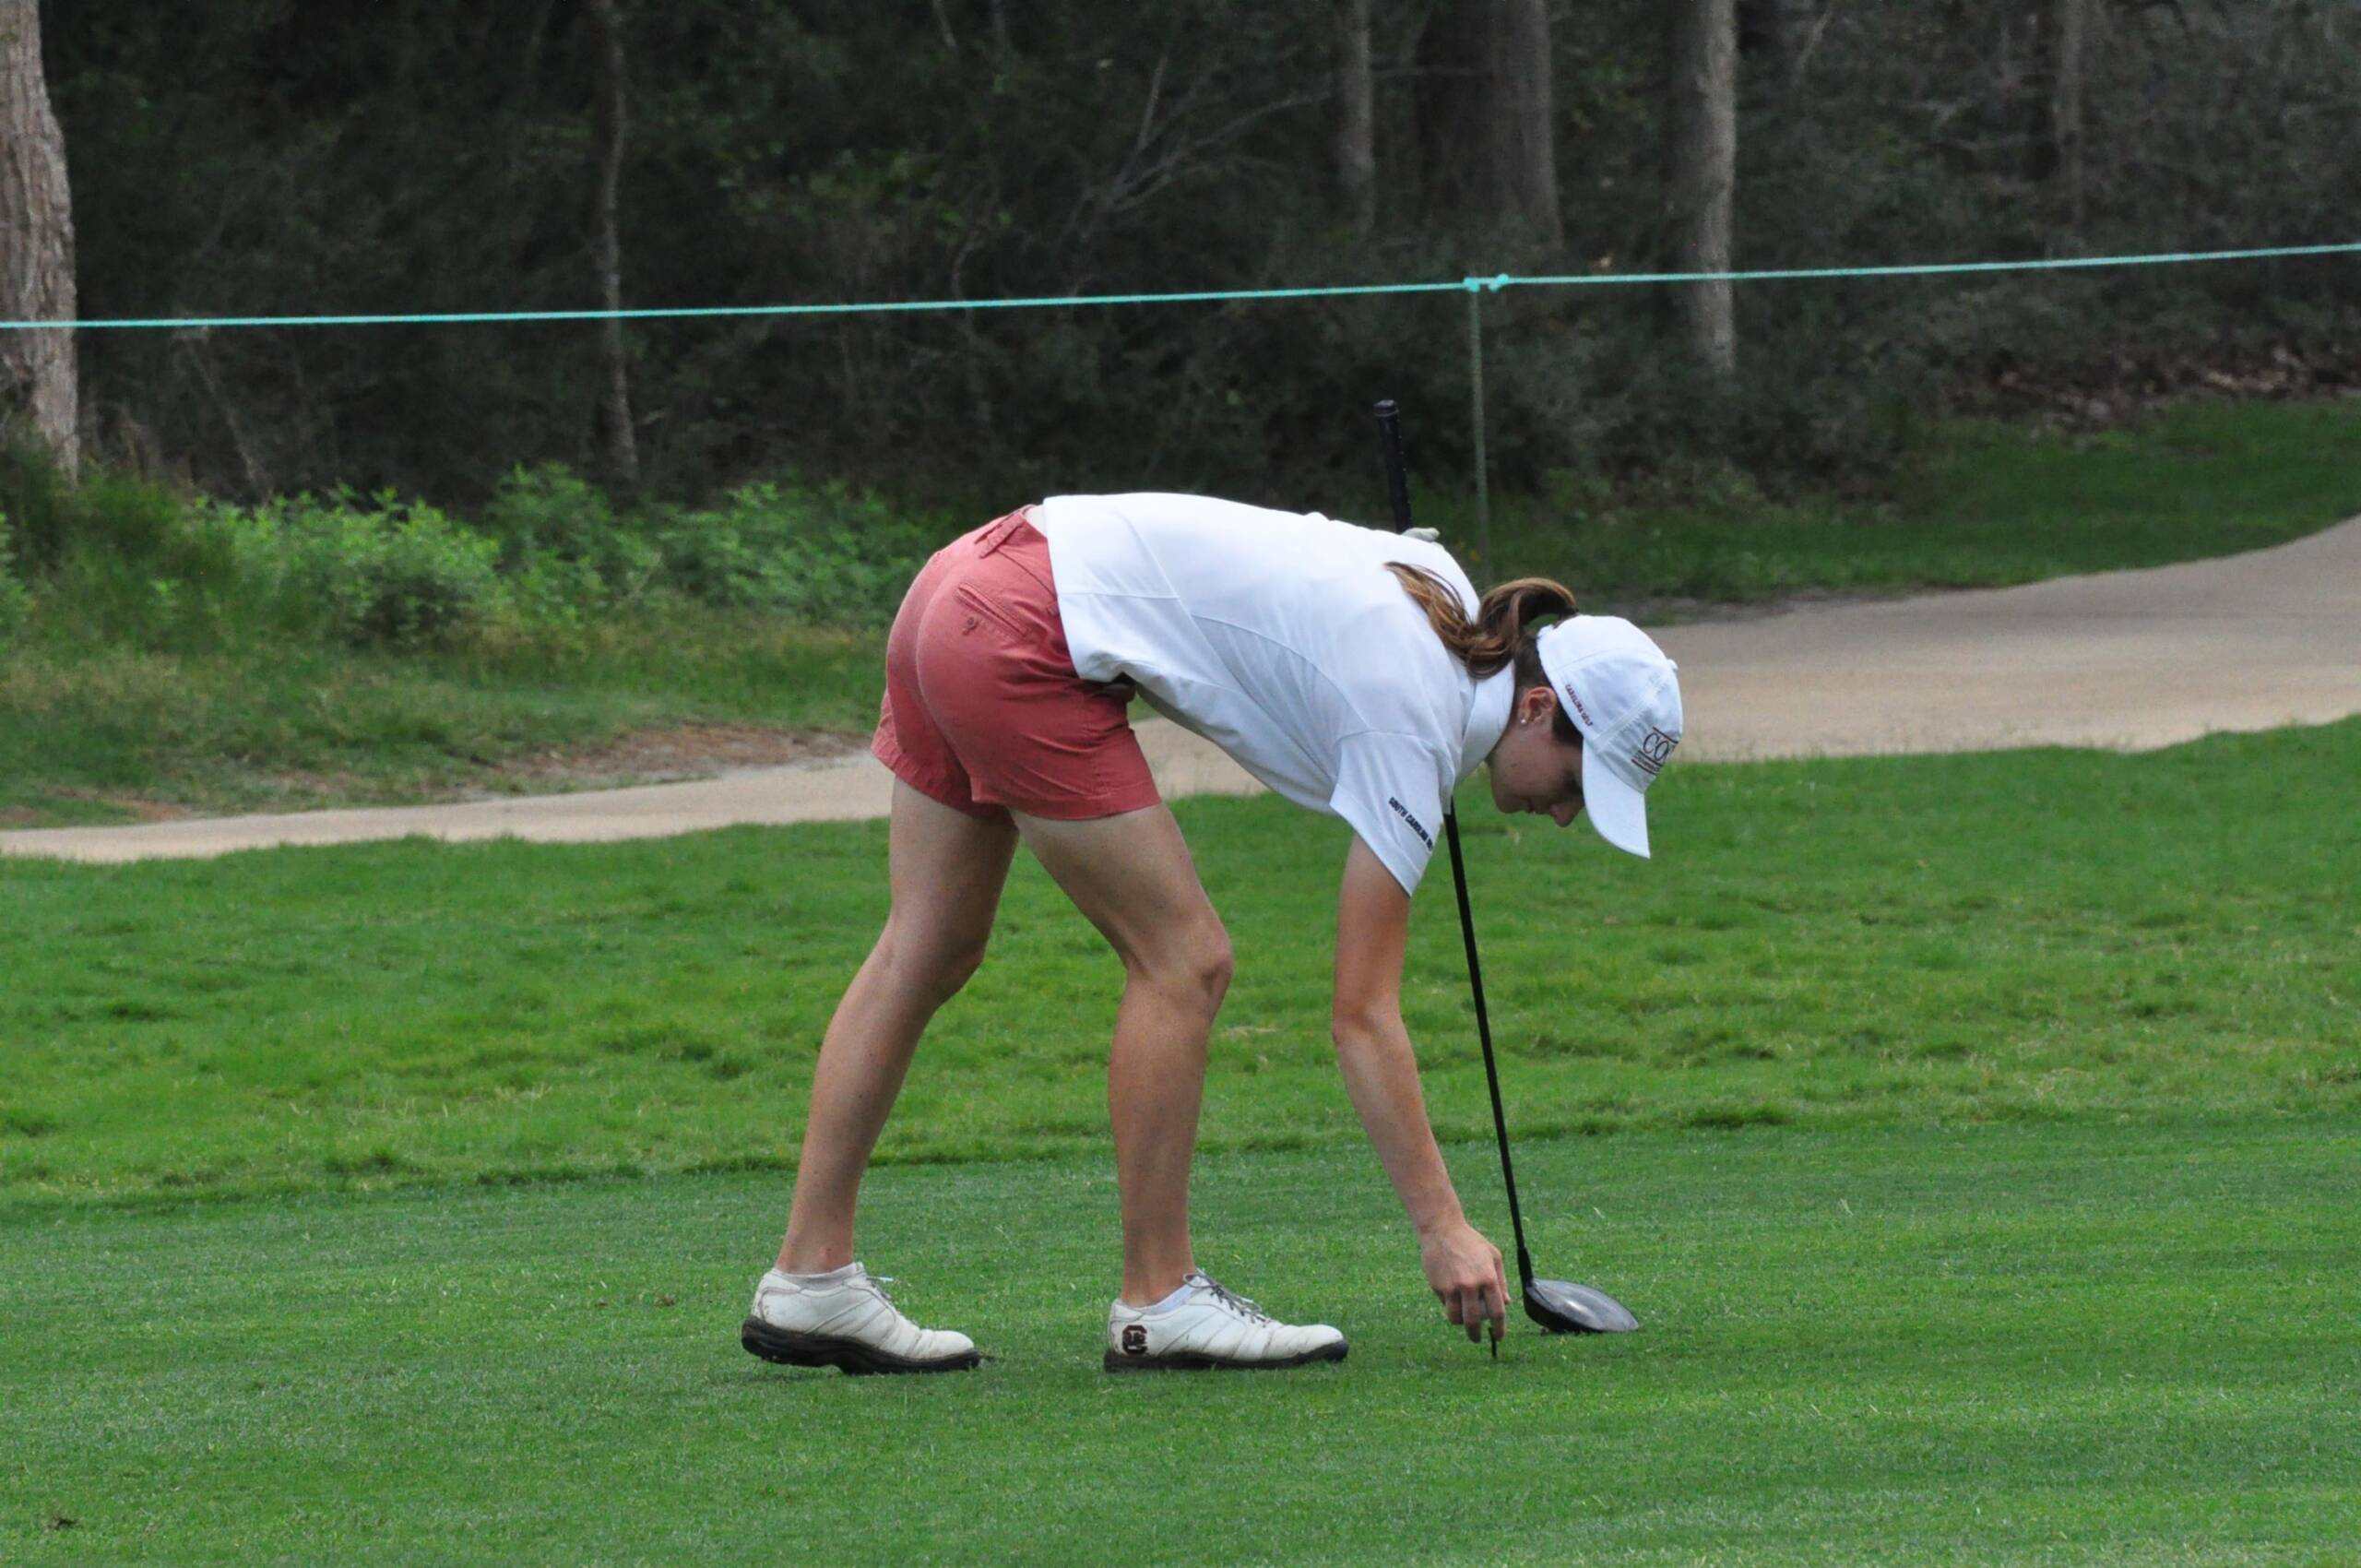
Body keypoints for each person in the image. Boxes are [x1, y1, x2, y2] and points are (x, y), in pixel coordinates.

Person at [742, 493, 1684, 1374]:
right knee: (1184, 961)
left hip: (959, 584)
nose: (1565, 813)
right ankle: (1159, 1294)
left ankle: (810, 1278)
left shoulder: (1443, 601)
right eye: (1576, 783)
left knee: (927, 945)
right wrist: (1441, 1224)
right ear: (1534, 706)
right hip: (1022, 628)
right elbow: (1361, 1015)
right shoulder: (1418, 709)